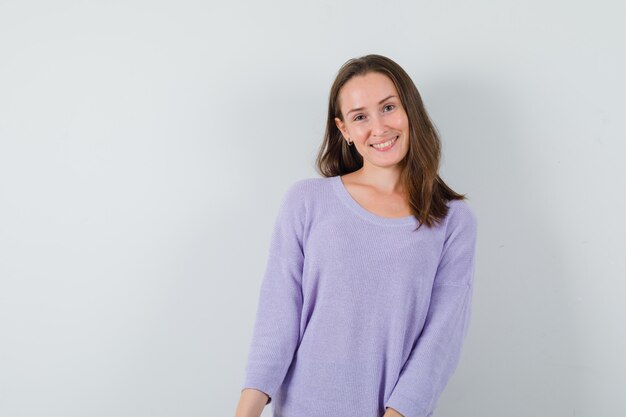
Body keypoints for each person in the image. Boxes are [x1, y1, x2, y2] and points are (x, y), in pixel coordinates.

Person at [234, 54, 478, 417]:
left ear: (410, 111)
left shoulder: (452, 219)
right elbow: (277, 320)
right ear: (343, 129)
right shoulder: (307, 202)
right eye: (360, 116)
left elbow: (440, 341)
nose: (378, 128)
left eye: (389, 107)